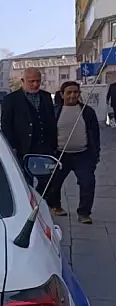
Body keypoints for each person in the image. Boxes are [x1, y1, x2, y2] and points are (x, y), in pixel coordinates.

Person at [46, 81, 100, 224]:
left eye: (76, 92)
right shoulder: (54, 111)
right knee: (54, 183)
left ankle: (84, 213)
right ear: (62, 94)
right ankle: (56, 206)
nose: (72, 95)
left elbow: (95, 134)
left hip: (83, 155)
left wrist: (96, 155)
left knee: (88, 182)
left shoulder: (88, 112)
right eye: (69, 92)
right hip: (60, 155)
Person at [1, 67, 58, 195]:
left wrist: (53, 145)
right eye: (31, 81)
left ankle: (40, 202)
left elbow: (51, 121)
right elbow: (6, 125)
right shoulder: (11, 100)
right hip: (23, 150)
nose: (35, 84)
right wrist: (12, 147)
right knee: (25, 183)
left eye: (38, 81)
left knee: (48, 181)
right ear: (23, 80)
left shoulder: (46, 97)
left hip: (44, 149)